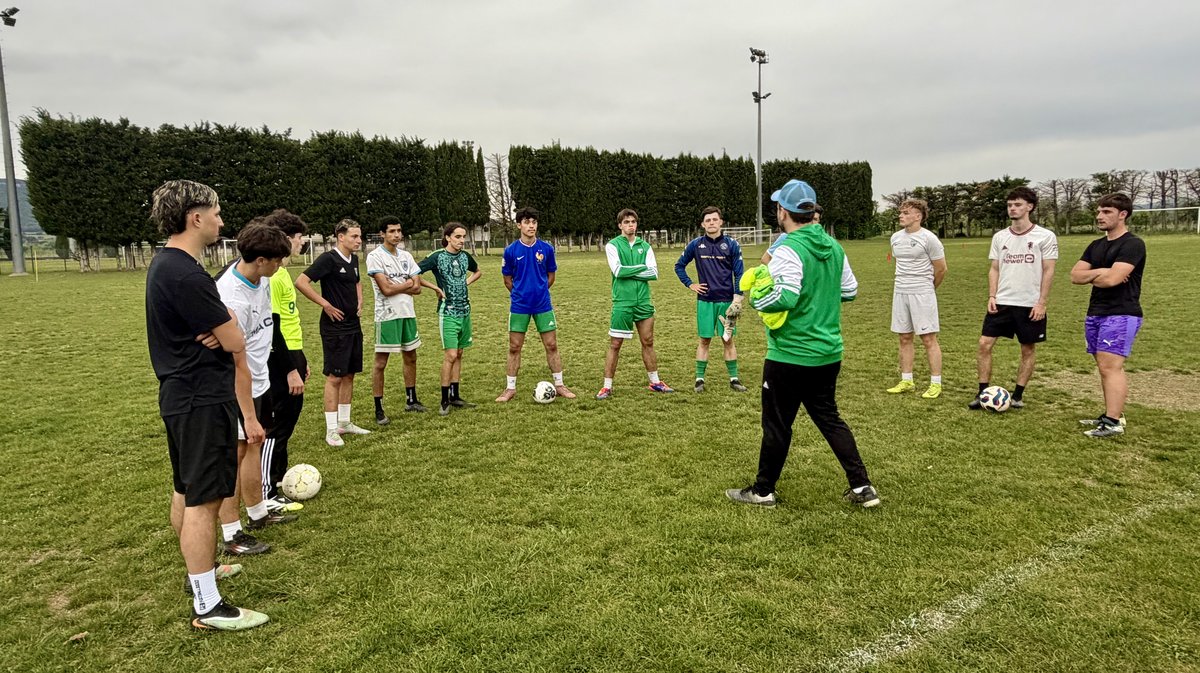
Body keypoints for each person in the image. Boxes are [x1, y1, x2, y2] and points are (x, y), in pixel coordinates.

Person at [145, 179, 268, 630]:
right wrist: (228, 325)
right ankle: (208, 605)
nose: (220, 220)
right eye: (215, 212)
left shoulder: (167, 265)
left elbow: (228, 330)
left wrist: (226, 324)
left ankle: (199, 576)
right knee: (205, 499)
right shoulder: (186, 274)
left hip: (183, 396)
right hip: (200, 398)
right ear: (195, 217)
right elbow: (235, 340)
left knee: (186, 488)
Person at [726, 179, 879, 509]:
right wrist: (819, 296)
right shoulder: (834, 247)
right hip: (828, 352)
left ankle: (763, 491)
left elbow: (785, 296)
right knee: (829, 418)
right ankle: (862, 487)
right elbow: (849, 291)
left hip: (790, 355)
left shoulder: (788, 248)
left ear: (783, 212)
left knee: (777, 424)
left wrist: (759, 299)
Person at [214, 223, 299, 555]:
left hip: (260, 380)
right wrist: (247, 413)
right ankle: (231, 534)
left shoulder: (261, 280)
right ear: (261, 259)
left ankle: (258, 513)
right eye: (277, 260)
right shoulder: (230, 296)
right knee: (233, 457)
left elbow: (267, 329)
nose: (279, 267)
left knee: (252, 449)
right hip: (238, 387)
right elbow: (235, 360)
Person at [970, 186, 1059, 410]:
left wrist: (1042, 302)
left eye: (1018, 204)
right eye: (1010, 205)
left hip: (1029, 304)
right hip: (1001, 301)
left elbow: (1048, 270)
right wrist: (992, 295)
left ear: (1030, 207)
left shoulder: (1045, 236)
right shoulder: (1000, 237)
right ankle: (982, 394)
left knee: (1027, 349)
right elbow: (994, 269)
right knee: (984, 344)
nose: (1013, 208)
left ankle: (1018, 395)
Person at [1070, 193, 1146, 438]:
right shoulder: (1096, 245)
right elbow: (1075, 276)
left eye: (1106, 212)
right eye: (1099, 212)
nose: (1099, 216)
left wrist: (1100, 275)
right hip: (1096, 312)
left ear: (1122, 214)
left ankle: (1113, 422)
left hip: (1122, 313)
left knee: (1110, 367)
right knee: (1105, 367)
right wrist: (1102, 272)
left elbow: (1113, 280)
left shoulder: (1132, 244)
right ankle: (1111, 414)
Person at [295, 219, 372, 446]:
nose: (359, 240)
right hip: (334, 328)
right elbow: (301, 282)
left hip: (352, 325)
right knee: (335, 376)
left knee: (349, 374)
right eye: (354, 236)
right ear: (340, 236)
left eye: (360, 236)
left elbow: (357, 282)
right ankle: (331, 429)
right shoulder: (328, 259)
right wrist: (325, 304)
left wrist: (360, 299)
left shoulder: (355, 259)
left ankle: (344, 422)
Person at [495, 207, 576, 402]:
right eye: (527, 222)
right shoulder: (511, 251)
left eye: (534, 222)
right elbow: (508, 280)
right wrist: (520, 294)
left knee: (552, 344)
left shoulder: (546, 249)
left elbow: (551, 276)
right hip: (519, 306)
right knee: (514, 346)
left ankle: (559, 385)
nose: (531, 226)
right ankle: (510, 388)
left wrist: (539, 291)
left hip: (543, 305)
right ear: (519, 225)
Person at [259, 209, 309, 513]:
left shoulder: (281, 272)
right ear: (286, 238)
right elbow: (273, 324)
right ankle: (266, 491)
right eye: (300, 237)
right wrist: (290, 367)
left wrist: (301, 359)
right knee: (275, 424)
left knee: (287, 423)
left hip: (291, 354)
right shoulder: (273, 276)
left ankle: (276, 481)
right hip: (279, 359)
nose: (302, 242)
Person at [596, 209, 673, 399]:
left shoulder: (645, 246)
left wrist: (630, 270)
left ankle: (655, 382)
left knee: (648, 341)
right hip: (622, 301)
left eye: (633, 222)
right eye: (626, 222)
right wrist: (641, 268)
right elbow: (618, 271)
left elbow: (654, 273)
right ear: (620, 225)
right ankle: (607, 386)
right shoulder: (612, 245)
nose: (630, 225)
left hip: (644, 302)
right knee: (615, 344)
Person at [674, 206, 748, 393]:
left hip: (727, 302)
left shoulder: (732, 244)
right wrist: (691, 284)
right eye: (708, 220)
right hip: (705, 300)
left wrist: (737, 299)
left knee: (728, 339)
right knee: (705, 340)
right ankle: (699, 379)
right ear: (703, 224)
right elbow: (679, 266)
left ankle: (734, 379)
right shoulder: (696, 245)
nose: (712, 223)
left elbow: (739, 273)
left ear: (721, 221)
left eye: (715, 219)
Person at [366, 216, 429, 423]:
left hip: (407, 313)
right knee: (381, 362)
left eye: (399, 231)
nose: (396, 235)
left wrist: (398, 285)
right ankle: (378, 407)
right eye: (391, 231)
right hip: (387, 316)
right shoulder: (375, 257)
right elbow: (386, 289)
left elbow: (418, 288)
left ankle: (411, 399)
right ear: (382, 234)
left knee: (411, 356)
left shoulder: (406, 256)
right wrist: (406, 283)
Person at [417, 222, 482, 416]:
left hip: (465, 311)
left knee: (460, 353)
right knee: (451, 355)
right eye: (458, 237)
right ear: (447, 238)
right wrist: (436, 288)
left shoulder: (464, 257)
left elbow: (478, 271)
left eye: (464, 237)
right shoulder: (437, 257)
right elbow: (414, 273)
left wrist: (466, 282)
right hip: (448, 312)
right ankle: (444, 399)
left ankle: (455, 396)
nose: (462, 241)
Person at [885, 198, 947, 399]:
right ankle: (907, 380)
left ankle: (935, 383)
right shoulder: (895, 238)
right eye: (900, 213)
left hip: (922, 292)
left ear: (918, 216)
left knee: (928, 338)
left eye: (906, 213)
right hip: (900, 291)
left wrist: (929, 288)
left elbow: (941, 269)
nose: (901, 216)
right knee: (904, 337)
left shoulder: (929, 239)